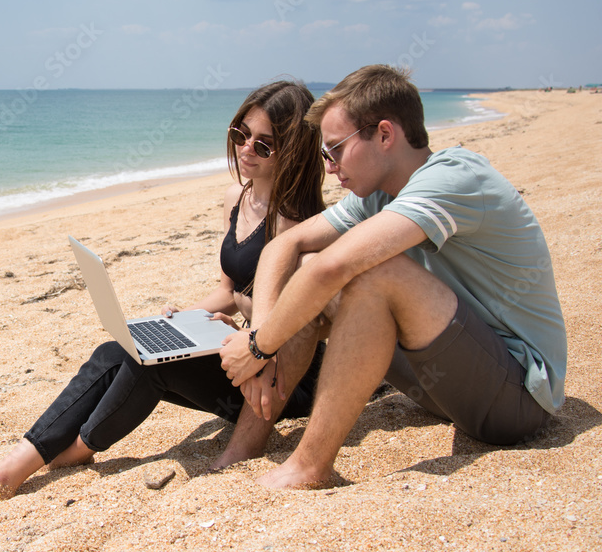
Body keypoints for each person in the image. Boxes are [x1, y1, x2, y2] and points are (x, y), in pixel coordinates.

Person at [0, 80, 328, 505]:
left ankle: (74, 451)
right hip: (240, 343)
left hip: (282, 379)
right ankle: (11, 468)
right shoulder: (236, 199)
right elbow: (231, 290)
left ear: (294, 151)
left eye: (264, 146)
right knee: (118, 347)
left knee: (147, 364)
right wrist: (185, 318)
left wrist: (248, 336)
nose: (246, 150)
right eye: (240, 135)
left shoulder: (299, 224)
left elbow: (306, 320)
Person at [220, 64, 567, 490]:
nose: (328, 167)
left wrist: (256, 347)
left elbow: (336, 267)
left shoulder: (454, 178)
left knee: (371, 273)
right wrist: (260, 337)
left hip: (516, 401)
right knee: (307, 275)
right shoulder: (379, 194)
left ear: (385, 135)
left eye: (335, 150)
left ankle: (309, 467)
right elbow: (283, 247)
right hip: (444, 388)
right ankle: (242, 448)